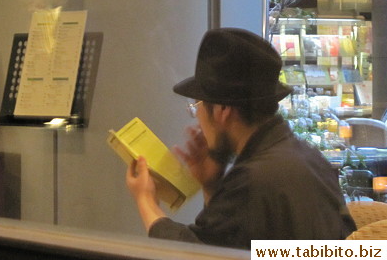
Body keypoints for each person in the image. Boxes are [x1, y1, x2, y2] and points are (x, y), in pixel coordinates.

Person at [125, 28, 356, 249]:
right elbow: (229, 242)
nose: (198, 121)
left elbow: (197, 254)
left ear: (222, 111)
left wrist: (146, 200)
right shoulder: (309, 157)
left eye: (198, 107)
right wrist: (212, 185)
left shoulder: (253, 179)